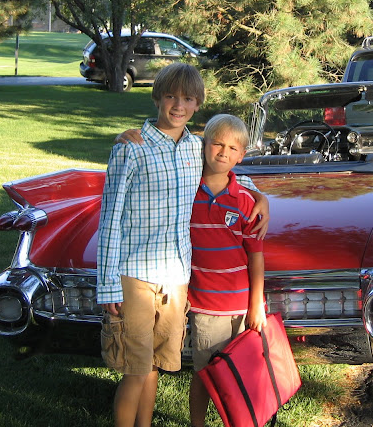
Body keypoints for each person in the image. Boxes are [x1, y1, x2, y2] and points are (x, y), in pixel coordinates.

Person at [97, 63, 269, 427]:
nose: (179, 105)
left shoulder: (194, 147)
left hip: (176, 279)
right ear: (157, 97)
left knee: (154, 366)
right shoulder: (132, 148)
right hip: (136, 275)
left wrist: (260, 196)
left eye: (188, 99)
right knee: (135, 369)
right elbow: (109, 219)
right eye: (171, 96)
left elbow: (226, 170)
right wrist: (108, 284)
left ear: (197, 104)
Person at [187, 114, 266, 427]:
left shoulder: (246, 202)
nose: (223, 152)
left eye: (233, 148)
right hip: (207, 306)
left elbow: (256, 255)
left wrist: (256, 305)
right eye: (217, 144)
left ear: (241, 155)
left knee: (240, 374)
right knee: (205, 374)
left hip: (242, 305)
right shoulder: (186, 194)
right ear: (204, 145)